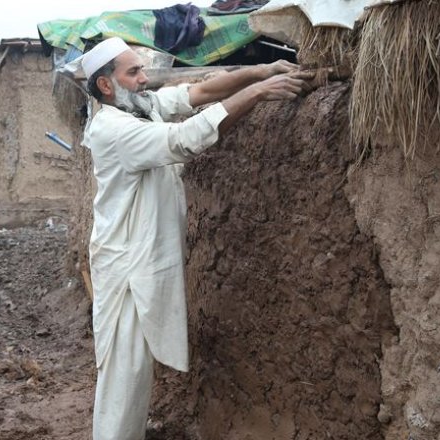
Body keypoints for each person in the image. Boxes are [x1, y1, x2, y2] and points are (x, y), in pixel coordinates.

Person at [79, 37, 312, 439]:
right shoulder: (113, 130)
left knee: (133, 375)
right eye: (133, 72)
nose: (144, 78)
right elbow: (183, 139)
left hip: (139, 265)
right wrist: (258, 93)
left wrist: (261, 70)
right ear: (105, 85)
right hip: (127, 274)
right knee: (124, 377)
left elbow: (197, 92)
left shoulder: (139, 108)